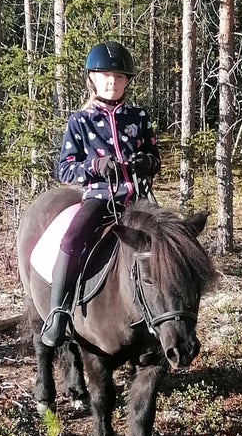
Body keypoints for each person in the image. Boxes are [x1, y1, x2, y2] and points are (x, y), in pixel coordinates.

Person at [40, 41, 161, 348]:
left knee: (170, 243)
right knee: (71, 239)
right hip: (99, 199)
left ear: (127, 82)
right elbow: (65, 170)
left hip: (138, 200)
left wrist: (146, 162)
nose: (113, 81)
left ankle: (170, 314)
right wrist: (95, 166)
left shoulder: (138, 117)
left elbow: (154, 157)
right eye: (106, 75)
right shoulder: (79, 121)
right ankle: (58, 312)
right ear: (91, 78)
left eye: (120, 77)